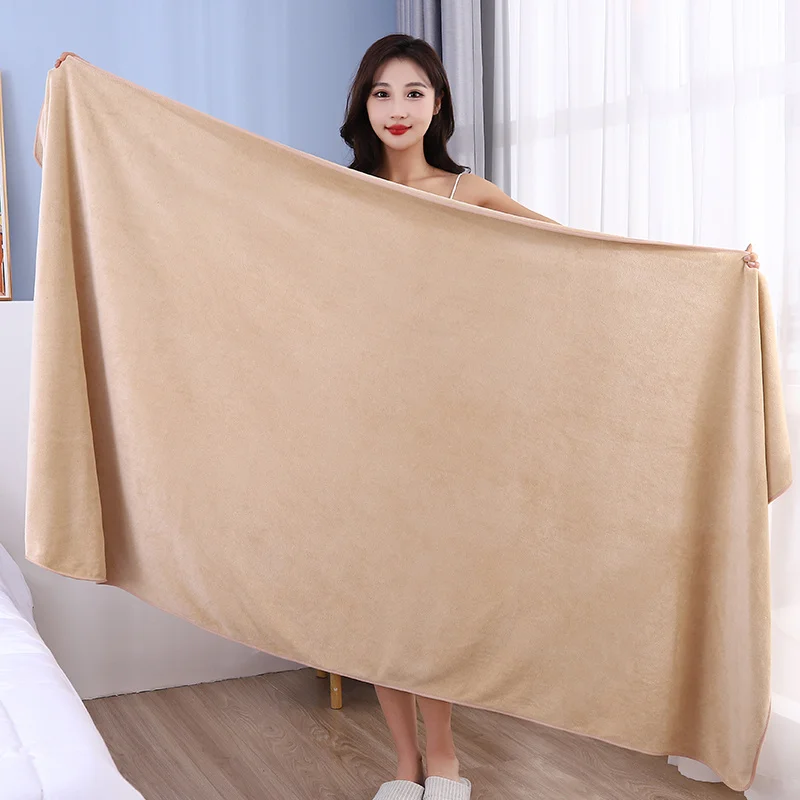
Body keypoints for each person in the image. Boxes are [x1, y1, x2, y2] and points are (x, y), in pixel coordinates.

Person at [53, 43, 760, 800]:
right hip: (359, 421)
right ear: (362, 104)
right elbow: (239, 234)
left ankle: (446, 758)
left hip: (450, 424)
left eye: (414, 92)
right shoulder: (339, 195)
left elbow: (579, 258)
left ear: (438, 104)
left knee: (433, 598)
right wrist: (91, 106)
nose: (397, 109)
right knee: (376, 603)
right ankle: (404, 763)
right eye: (381, 93)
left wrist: (712, 277)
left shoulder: (467, 192)